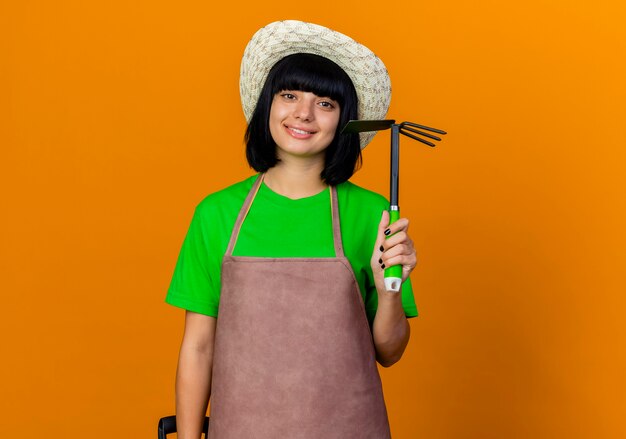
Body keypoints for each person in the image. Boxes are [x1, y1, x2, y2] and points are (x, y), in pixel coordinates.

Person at [166, 20, 419, 439]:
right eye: (289, 95)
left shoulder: (373, 214)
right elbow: (198, 348)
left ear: (344, 120)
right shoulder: (217, 213)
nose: (303, 113)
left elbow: (389, 352)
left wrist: (388, 285)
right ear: (268, 104)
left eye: (325, 103)